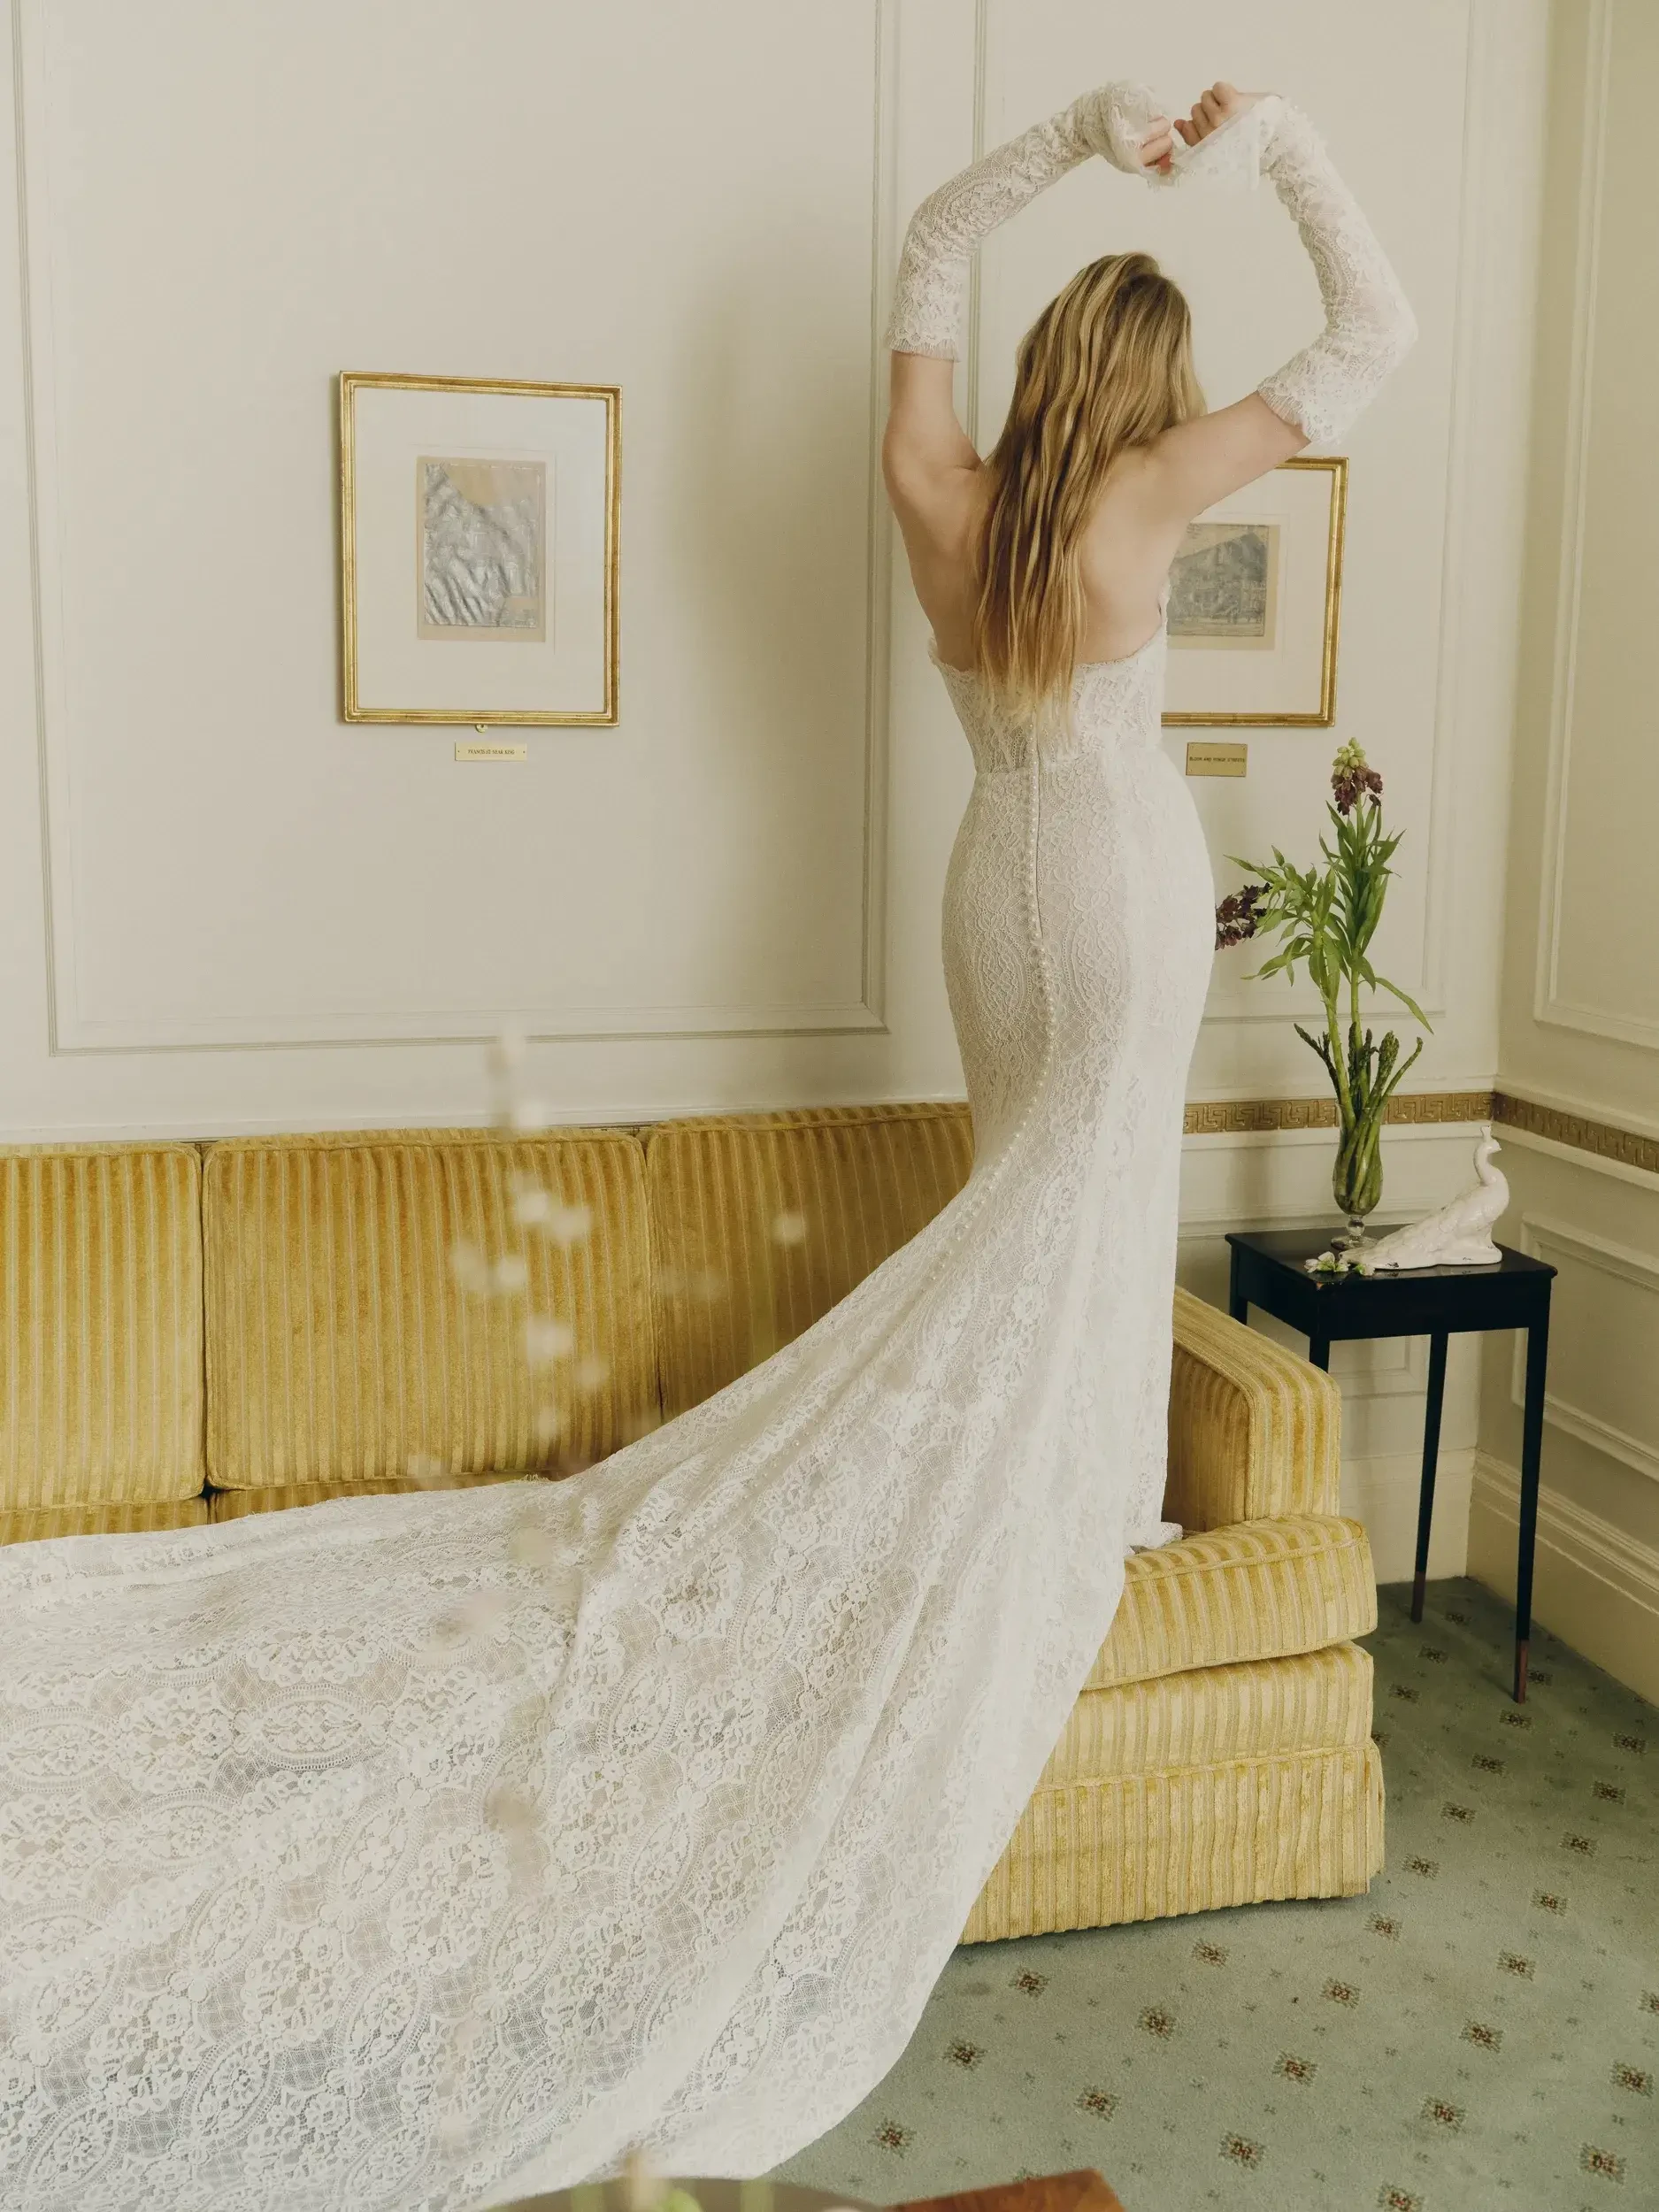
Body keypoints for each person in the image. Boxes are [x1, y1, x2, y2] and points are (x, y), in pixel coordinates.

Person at [0, 81, 1414, 2212]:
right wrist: (1278, 135)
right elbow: (1373, 327)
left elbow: (930, 249)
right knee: (1086, 1200)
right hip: (1109, 894)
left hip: (987, 891)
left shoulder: (946, 493)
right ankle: (1077, 1488)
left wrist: (1066, 138)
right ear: (1149, 385)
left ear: (1048, 366)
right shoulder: (1146, 496)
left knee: (1020, 1185)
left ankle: (1064, 1477)